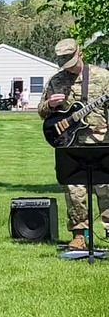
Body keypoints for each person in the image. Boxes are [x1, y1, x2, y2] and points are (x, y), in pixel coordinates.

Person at [38, 38, 109, 249]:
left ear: (80, 54)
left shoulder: (103, 77)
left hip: (100, 139)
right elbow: (42, 112)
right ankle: (79, 234)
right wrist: (49, 105)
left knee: (105, 187)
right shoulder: (56, 80)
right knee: (74, 190)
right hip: (70, 142)